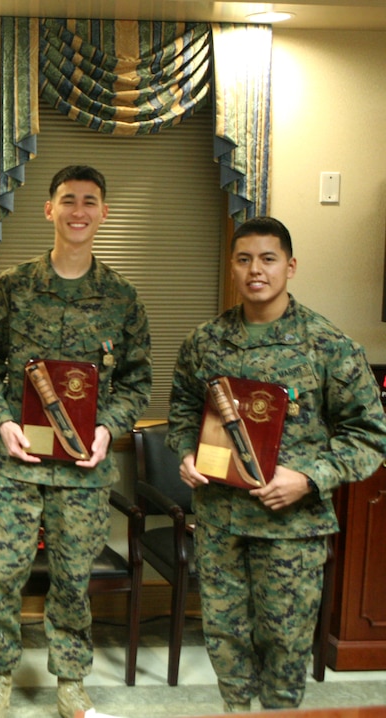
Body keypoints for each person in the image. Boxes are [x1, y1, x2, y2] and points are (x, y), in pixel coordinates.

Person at [166, 215, 386, 712]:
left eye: (267, 259)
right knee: (225, 638)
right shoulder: (205, 342)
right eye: (243, 259)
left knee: (285, 645)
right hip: (221, 520)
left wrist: (308, 478)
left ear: (290, 265)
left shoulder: (327, 345)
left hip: (291, 526)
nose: (255, 271)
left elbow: (371, 435)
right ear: (233, 267)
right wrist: (186, 452)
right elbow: (183, 408)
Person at [0, 165, 152, 718]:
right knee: (0, 575)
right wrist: (2, 422)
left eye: (89, 201)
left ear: (103, 213)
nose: (78, 210)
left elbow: (138, 381)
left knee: (73, 578)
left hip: (83, 470)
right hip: (15, 464)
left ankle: (70, 680)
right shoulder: (14, 289)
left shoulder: (121, 298)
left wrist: (106, 429)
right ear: (48, 210)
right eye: (68, 200)